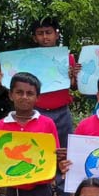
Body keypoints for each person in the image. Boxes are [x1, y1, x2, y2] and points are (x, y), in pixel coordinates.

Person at [32, 17, 79, 148]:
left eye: (48, 32)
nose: (45, 37)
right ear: (34, 38)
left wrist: (73, 78)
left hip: (62, 112)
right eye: (40, 33)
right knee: (39, 149)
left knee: (65, 150)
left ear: (56, 35)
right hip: (37, 111)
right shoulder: (29, 60)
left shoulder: (68, 58)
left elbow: (74, 87)